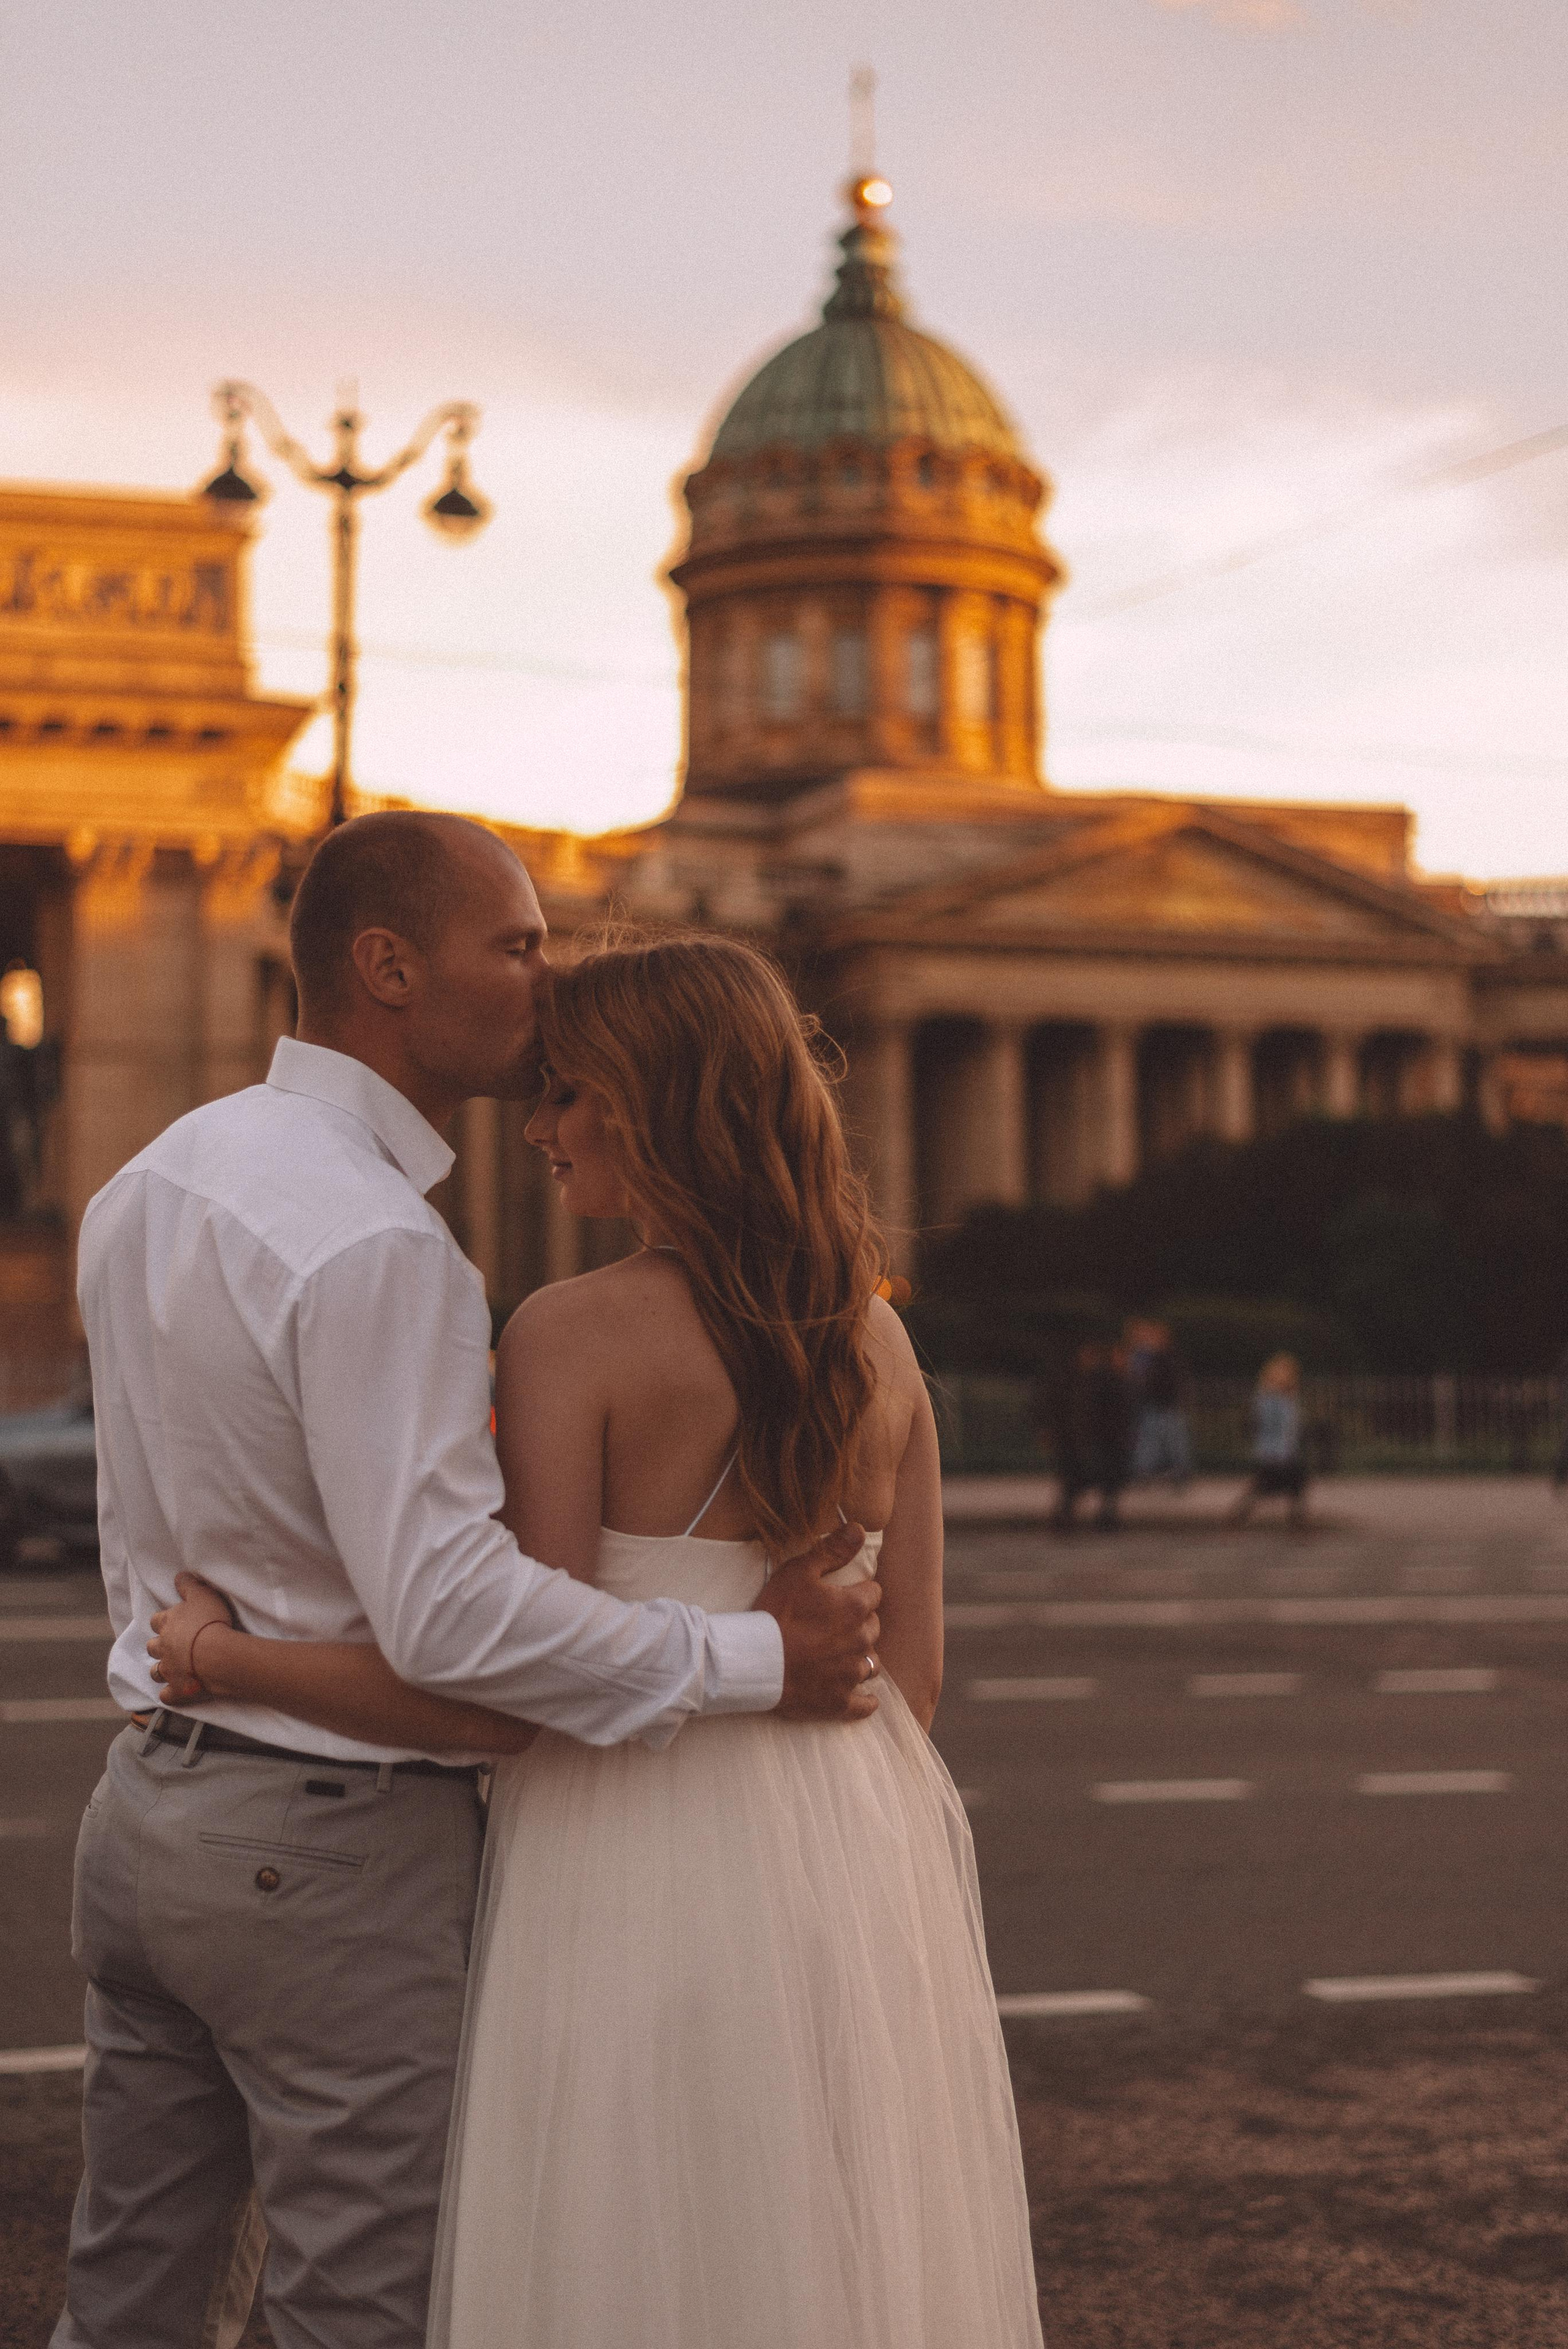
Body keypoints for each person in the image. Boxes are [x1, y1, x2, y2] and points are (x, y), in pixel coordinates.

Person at [149, 932, 1046, 2349]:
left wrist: (220, 1654)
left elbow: (516, 1673)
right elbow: (908, 1683)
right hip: (855, 1850)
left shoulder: (567, 1332)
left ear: (660, 1103)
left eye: (569, 1093)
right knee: (821, 2240)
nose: (539, 1127)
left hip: (624, 1848)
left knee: (619, 2235)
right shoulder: (881, 1344)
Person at [54, 815, 880, 2349]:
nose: (543, 975)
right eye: (512, 943)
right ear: (386, 966)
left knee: (129, 2293)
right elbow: (448, 1617)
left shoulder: (148, 1184)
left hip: (148, 1815)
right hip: (326, 1855)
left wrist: (221, 1659)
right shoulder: (379, 1242)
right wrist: (758, 1658)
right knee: (354, 2307)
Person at [1050, 1337, 1134, 1528]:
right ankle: (1097, 1517)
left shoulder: (1090, 1381)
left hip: (1099, 1440)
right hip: (1100, 1440)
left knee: (1086, 1481)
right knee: (1093, 1479)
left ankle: (1075, 1516)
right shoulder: (1104, 1381)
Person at [1229, 1352, 1310, 1525]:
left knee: (1288, 1483)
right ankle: (1296, 1519)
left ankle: (1296, 1518)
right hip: (1274, 1451)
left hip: (1284, 1450)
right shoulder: (1270, 1399)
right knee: (1273, 1483)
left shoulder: (1285, 1398)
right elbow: (1269, 1427)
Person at [1130, 1318, 1193, 1488]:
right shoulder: (1148, 1357)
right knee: (1152, 1440)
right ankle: (1148, 1472)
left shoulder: (1163, 1357)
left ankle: (1177, 1472)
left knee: (1170, 1440)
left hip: (1165, 1404)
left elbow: (1171, 1380)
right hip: (1155, 1404)